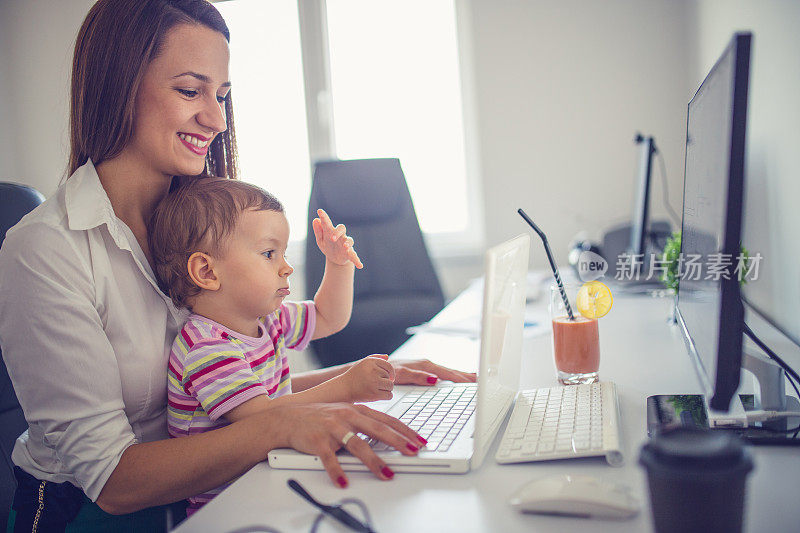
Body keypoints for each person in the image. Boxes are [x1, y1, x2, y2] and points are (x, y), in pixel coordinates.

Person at [0, 0, 475, 530]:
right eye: (189, 91)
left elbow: (236, 395)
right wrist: (305, 415)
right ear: (118, 86)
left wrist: (374, 374)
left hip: (208, 495)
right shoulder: (45, 249)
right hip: (91, 515)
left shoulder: (206, 227)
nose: (217, 119)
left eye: (222, 95)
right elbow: (114, 480)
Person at [150, 178, 411, 514]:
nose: (286, 267)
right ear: (206, 271)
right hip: (233, 505)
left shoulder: (267, 319)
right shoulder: (205, 347)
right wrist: (346, 386)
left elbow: (328, 317)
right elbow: (263, 416)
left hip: (272, 475)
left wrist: (338, 265)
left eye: (284, 253)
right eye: (269, 253)